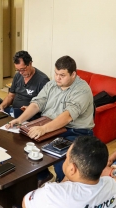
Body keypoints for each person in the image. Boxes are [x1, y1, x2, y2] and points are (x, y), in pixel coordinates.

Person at [2, 136, 116, 208]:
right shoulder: (113, 187)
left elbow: (25, 205)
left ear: (72, 169)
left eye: (67, 158)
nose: (65, 160)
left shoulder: (52, 194)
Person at [6, 55, 95, 184]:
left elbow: (67, 117)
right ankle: (42, 176)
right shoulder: (53, 84)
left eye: (62, 75)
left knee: (58, 156)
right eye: (56, 73)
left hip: (75, 131)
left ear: (73, 74)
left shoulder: (82, 90)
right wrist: (19, 120)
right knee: (24, 143)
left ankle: (61, 185)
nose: (57, 78)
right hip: (50, 124)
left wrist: (43, 129)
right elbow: (37, 103)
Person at [0, 51, 49, 118]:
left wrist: (31, 108)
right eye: (18, 70)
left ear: (30, 63)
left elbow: (46, 104)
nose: (20, 73)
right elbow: (10, 96)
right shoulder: (17, 76)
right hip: (14, 111)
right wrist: (2, 106)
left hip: (30, 115)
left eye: (23, 69)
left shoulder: (42, 80)